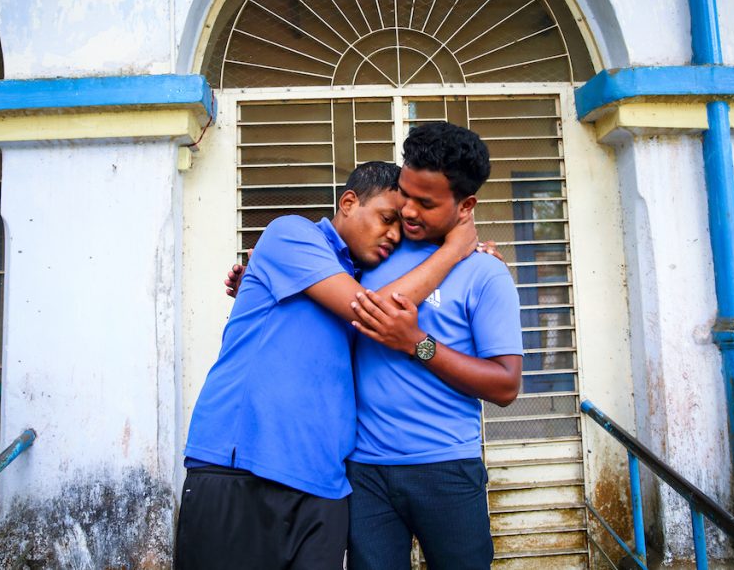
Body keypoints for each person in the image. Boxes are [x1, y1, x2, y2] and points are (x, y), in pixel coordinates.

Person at [176, 161, 479, 570]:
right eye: (387, 219)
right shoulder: (291, 233)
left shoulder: (363, 277)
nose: (394, 235)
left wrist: (473, 260)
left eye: (401, 229)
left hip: (325, 486)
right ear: (349, 202)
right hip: (244, 467)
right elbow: (372, 313)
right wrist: (454, 251)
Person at [346, 122, 523, 570]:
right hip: (365, 470)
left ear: (466, 206)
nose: (408, 211)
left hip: (446, 468)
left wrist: (417, 344)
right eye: (405, 194)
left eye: (426, 203)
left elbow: (505, 386)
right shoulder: (375, 249)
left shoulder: (485, 272)